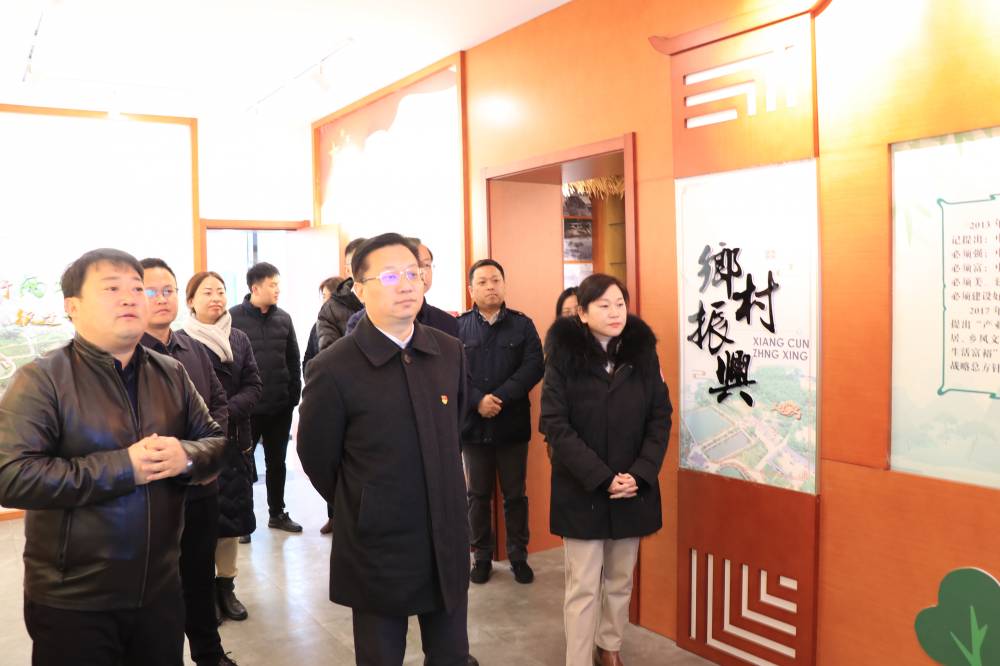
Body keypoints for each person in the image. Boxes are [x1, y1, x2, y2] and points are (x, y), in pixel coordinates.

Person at [0, 248, 224, 666]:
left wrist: (186, 457)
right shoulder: (42, 379)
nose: (129, 298)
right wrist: (124, 467)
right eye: (111, 289)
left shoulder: (172, 373)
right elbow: (11, 476)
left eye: (137, 289)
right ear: (72, 306)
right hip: (74, 599)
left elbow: (215, 442)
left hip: (159, 589)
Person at [297, 233, 474, 666]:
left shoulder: (449, 351)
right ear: (359, 290)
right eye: (391, 276)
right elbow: (317, 456)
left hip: (445, 533)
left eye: (414, 273)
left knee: (452, 654)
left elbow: (456, 427)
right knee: (380, 656)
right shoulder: (332, 367)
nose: (407, 284)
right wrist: (364, 501)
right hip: (378, 541)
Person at [539, 273, 672, 666]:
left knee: (620, 579)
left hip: (632, 487)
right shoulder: (562, 358)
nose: (615, 312)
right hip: (582, 489)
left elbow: (660, 417)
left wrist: (641, 473)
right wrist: (601, 477)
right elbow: (555, 424)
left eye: (620, 304)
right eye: (604, 305)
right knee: (582, 585)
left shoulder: (642, 353)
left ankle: (609, 645)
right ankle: (577, 659)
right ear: (582, 313)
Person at [139, 258, 237, 666]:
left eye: (169, 291)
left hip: (200, 488)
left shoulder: (192, 348)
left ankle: (209, 654)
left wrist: (199, 455)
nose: (161, 299)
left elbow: (219, 406)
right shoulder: (125, 356)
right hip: (151, 496)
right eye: (150, 291)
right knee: (157, 588)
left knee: (199, 577)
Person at [457, 259, 544, 585]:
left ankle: (518, 555)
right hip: (473, 426)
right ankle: (481, 556)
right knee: (477, 495)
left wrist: (500, 398)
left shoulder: (523, 325)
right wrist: (478, 400)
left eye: (495, 280)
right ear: (471, 290)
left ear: (504, 285)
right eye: (482, 282)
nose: (490, 286)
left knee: (515, 494)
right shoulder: (458, 328)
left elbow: (534, 367)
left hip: (511, 425)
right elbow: (452, 372)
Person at [184, 271, 263, 623]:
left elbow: (254, 385)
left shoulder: (239, 338)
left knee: (231, 521)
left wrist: (224, 413)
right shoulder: (182, 342)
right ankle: (202, 593)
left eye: (220, 291)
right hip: (197, 444)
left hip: (235, 442)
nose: (216, 298)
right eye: (207, 292)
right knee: (201, 524)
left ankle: (226, 587)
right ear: (191, 301)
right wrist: (210, 418)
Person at [229, 261, 302, 534]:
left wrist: (293, 396)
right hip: (248, 409)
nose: (277, 290)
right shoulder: (233, 318)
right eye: (273, 285)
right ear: (255, 288)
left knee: (277, 463)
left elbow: (293, 359)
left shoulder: (284, 318)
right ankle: (243, 522)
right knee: (243, 465)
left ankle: (277, 513)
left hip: (280, 407)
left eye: (278, 285)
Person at [345, 239, 458, 337]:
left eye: (426, 265)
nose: (421, 272)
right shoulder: (359, 323)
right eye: (391, 276)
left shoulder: (448, 324)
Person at [316, 237, 366, 351]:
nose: (364, 268)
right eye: (357, 263)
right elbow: (329, 355)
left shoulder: (387, 300)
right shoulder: (330, 310)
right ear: (348, 270)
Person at [303, 276, 344, 369]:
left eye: (328, 296)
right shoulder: (316, 327)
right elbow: (308, 359)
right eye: (324, 296)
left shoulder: (351, 324)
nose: (325, 301)